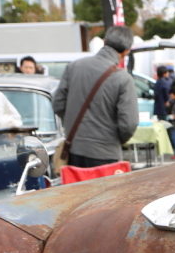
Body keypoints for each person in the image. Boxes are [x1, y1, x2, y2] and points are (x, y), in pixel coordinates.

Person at [52, 25, 138, 168]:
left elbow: (58, 104)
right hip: (106, 155)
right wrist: (114, 140)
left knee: (77, 190)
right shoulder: (123, 78)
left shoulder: (74, 67)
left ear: (104, 41)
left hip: (74, 151)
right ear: (127, 51)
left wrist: (74, 125)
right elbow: (129, 124)